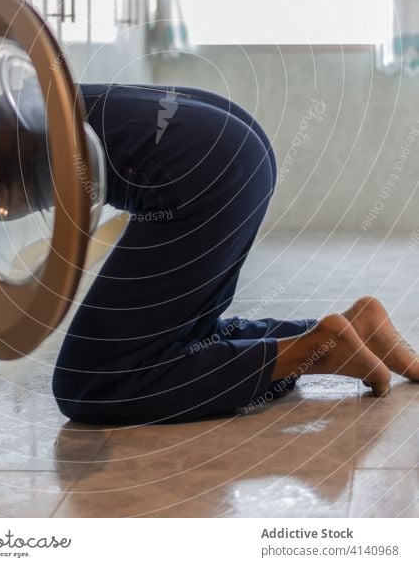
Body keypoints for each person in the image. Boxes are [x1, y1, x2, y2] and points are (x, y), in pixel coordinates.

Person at [52, 84, 419, 425]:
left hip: (201, 169)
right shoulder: (18, 93)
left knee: (91, 383)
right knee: (180, 335)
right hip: (231, 142)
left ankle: (312, 352)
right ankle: (355, 330)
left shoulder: (1, 124)